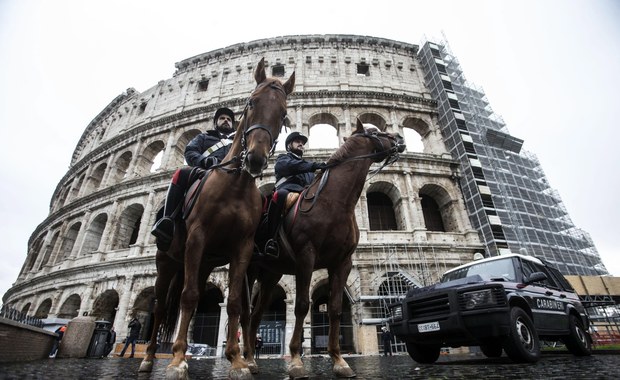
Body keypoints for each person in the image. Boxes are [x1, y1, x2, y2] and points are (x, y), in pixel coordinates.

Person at [151, 107, 236, 251]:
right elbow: (190, 151)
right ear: (216, 123)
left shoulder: (236, 141)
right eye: (222, 118)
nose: (226, 121)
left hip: (231, 175)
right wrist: (204, 161)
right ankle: (167, 220)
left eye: (229, 119)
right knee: (181, 173)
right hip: (204, 170)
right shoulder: (204, 137)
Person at [263, 132, 326, 257]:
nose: (301, 144)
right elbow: (290, 166)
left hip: (304, 194)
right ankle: (271, 239)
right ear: (289, 145)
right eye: (297, 141)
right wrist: (314, 166)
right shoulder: (283, 158)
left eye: (302, 143)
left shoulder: (308, 169)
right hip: (288, 190)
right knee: (279, 195)